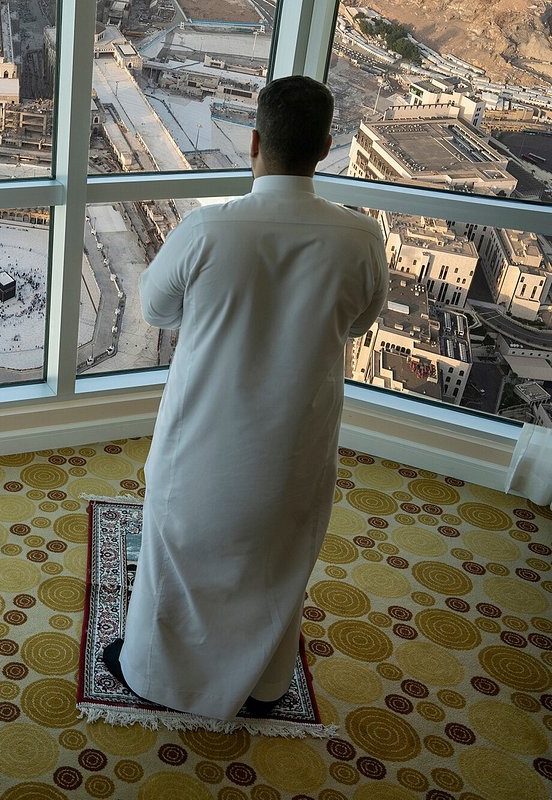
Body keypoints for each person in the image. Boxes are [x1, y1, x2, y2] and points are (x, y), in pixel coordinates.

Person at [104, 75, 388, 721]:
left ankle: (151, 672)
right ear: (323, 148)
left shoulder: (207, 231)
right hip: (297, 442)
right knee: (279, 560)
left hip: (201, 440)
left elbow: (154, 307)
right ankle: (262, 685)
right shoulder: (360, 238)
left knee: (175, 558)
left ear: (253, 141)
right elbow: (361, 322)